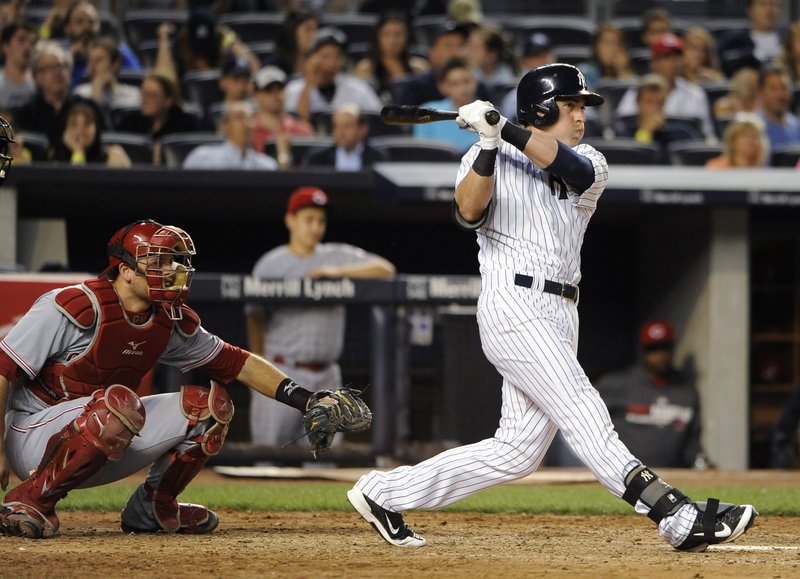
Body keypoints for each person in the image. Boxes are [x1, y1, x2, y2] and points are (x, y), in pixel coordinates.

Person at [346, 63, 757, 552]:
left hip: (562, 311)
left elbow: (572, 169)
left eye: (582, 106)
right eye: (571, 106)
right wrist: (489, 143)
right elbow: (468, 212)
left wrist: (506, 128)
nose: (581, 115)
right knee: (584, 409)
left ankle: (383, 492)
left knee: (517, 452)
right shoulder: (487, 155)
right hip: (513, 305)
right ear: (542, 108)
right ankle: (676, 516)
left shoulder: (591, 161)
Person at [0, 217, 363, 539]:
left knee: (209, 407)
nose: (171, 269)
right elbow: (2, 371)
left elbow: (237, 362)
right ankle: (29, 500)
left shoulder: (167, 319)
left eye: (173, 261)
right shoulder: (70, 306)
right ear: (125, 270)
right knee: (116, 407)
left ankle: (153, 507)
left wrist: (308, 399)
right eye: (158, 261)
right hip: (31, 435)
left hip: (102, 427)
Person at [247, 186, 395, 449]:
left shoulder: (337, 255)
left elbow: (386, 269)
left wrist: (335, 271)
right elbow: (254, 318)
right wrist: (259, 371)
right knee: (268, 457)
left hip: (327, 376)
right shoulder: (271, 264)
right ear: (290, 220)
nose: (315, 227)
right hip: (281, 372)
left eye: (321, 221)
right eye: (309, 219)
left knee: (324, 461)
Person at [595, 321, 708, 469]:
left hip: (672, 476)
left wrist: (701, 464)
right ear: (643, 351)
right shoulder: (617, 385)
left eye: (664, 347)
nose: (659, 355)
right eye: (652, 349)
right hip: (625, 473)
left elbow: (692, 444)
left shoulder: (686, 393)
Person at [617, 33, 715, 140]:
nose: (673, 62)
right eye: (667, 57)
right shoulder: (635, 91)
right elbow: (623, 126)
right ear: (654, 62)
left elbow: (706, 134)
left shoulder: (695, 93)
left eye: (677, 56)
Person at [15, 40, 105, 150]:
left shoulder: (90, 108)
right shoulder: (26, 114)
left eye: (61, 66)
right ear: (37, 78)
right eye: (49, 68)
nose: (57, 72)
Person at [283, 27, 383, 124]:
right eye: (326, 56)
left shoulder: (358, 89)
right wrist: (308, 82)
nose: (332, 62)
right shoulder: (294, 90)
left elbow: (378, 120)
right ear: (312, 58)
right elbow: (298, 124)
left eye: (337, 56)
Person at [390, 20, 492, 106]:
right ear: (432, 52)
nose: (455, 51)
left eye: (460, 45)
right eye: (448, 46)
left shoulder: (479, 87)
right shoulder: (415, 88)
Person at [616, 73, 704, 162]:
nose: (654, 108)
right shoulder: (624, 136)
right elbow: (629, 165)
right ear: (638, 104)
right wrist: (645, 132)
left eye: (659, 103)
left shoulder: (682, 134)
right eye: (649, 102)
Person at [155, 6, 259, 80]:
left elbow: (255, 71)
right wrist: (163, 41)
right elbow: (162, 79)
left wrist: (231, 38)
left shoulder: (225, 56)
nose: (202, 55)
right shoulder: (180, 56)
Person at [56, 1, 141, 88]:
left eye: (92, 22)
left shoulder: (118, 51)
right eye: (79, 22)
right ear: (67, 28)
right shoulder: (59, 57)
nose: (86, 27)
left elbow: (136, 79)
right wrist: (69, 60)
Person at [116, 71, 199, 161]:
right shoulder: (129, 122)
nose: (144, 100)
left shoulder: (185, 125)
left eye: (151, 95)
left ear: (168, 100)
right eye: (143, 94)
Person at [353, 12, 429, 102]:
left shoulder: (419, 68)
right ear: (378, 37)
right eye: (387, 34)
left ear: (407, 36)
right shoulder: (366, 69)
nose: (393, 40)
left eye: (398, 34)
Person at [183, 101, 278, 170]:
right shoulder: (202, 158)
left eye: (250, 119)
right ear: (225, 126)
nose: (246, 124)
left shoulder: (267, 166)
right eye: (239, 118)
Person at [251, 65, 314, 164]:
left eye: (280, 89)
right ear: (256, 95)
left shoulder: (302, 129)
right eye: (269, 91)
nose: (276, 95)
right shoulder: (249, 130)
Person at [413, 58, 479, 153]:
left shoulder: (489, 114)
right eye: (454, 83)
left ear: (475, 82)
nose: (462, 88)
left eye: (466, 81)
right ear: (443, 87)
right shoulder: (427, 113)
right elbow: (421, 153)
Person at [303, 102, 386, 169]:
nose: (340, 133)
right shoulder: (317, 159)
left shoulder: (377, 158)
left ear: (362, 129)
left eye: (347, 126)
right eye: (336, 126)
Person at [50, 100, 131, 167]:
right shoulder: (55, 158)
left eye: (87, 124)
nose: (80, 130)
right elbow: (74, 182)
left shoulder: (114, 155)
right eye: (74, 124)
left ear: (96, 129)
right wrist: (78, 151)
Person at [718, 0, 785, 78]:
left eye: (774, 5)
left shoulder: (789, 38)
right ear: (749, 9)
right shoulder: (733, 41)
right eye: (763, 4)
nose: (770, 10)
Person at [74, 36, 141, 112]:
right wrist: (97, 88)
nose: (92, 66)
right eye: (90, 61)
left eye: (98, 60)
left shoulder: (133, 95)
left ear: (115, 64)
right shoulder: (80, 94)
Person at [499, 33, 556, 120]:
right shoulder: (514, 98)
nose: (544, 61)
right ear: (523, 61)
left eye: (545, 55)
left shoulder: (568, 91)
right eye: (536, 56)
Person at [755, 65, 800, 150]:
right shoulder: (752, 127)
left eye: (784, 87)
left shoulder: (797, 125)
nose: (780, 94)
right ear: (761, 92)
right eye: (773, 88)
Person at [267, 9, 319, 78]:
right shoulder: (274, 65)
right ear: (292, 32)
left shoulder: (320, 64)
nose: (313, 35)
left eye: (315, 30)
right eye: (308, 29)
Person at [705, 113, 770, 169]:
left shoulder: (764, 171)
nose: (751, 140)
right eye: (745, 135)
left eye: (755, 136)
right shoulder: (715, 169)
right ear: (732, 141)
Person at [581, 23, 635, 88]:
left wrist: (623, 71)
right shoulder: (585, 73)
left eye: (618, 44)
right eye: (608, 43)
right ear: (596, 47)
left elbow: (633, 94)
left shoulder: (628, 72)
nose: (614, 49)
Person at [0, 20, 37, 111]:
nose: (28, 47)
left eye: (31, 42)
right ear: (6, 47)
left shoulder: (39, 83)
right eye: (21, 40)